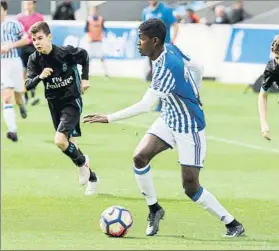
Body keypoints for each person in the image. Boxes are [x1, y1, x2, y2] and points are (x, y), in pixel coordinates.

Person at [83, 18, 245, 237]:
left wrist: (108, 118)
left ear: (155, 41)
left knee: (191, 187)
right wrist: (194, 91)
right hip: (169, 117)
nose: (138, 43)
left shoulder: (167, 67)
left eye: (142, 39)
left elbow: (146, 105)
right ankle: (155, 209)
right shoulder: (168, 49)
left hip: (189, 126)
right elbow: (198, 66)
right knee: (140, 157)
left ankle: (232, 223)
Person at [25, 21, 98, 195]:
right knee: (70, 144)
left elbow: (85, 56)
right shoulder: (34, 60)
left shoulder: (65, 53)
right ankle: (92, 178)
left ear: (49, 37)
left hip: (71, 102)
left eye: (40, 38)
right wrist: (40, 77)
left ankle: (82, 163)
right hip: (54, 105)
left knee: (59, 140)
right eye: (34, 39)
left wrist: (85, 79)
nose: (37, 42)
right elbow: (28, 85)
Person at [142, 0, 178, 111]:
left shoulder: (165, 10)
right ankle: (161, 102)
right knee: (155, 76)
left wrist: (172, 41)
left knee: (163, 76)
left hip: (163, 47)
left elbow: (175, 25)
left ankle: (163, 103)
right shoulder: (145, 11)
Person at [1, 1, 29, 142]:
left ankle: (22, 105)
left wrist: (11, 45)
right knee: (6, 97)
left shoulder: (13, 24)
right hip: (2, 65)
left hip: (14, 63)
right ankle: (12, 130)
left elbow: (26, 39)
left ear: (4, 10)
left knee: (18, 95)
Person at [17, 0, 44, 106]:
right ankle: (26, 95)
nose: (27, 5)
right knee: (24, 71)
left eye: (29, 3)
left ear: (34, 4)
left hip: (35, 47)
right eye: (26, 3)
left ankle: (32, 89)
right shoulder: (19, 18)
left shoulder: (39, 18)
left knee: (36, 70)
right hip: (23, 48)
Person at [258, 36, 279, 141]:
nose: (278, 61)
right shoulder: (272, 68)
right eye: (277, 58)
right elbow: (262, 95)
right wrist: (263, 123)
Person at [85, 6, 109, 78]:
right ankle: (86, 73)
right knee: (89, 58)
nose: (94, 12)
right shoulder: (88, 20)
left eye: (95, 10)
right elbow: (86, 30)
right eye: (92, 11)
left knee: (101, 58)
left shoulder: (101, 19)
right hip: (91, 42)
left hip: (99, 42)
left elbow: (104, 29)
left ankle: (106, 73)